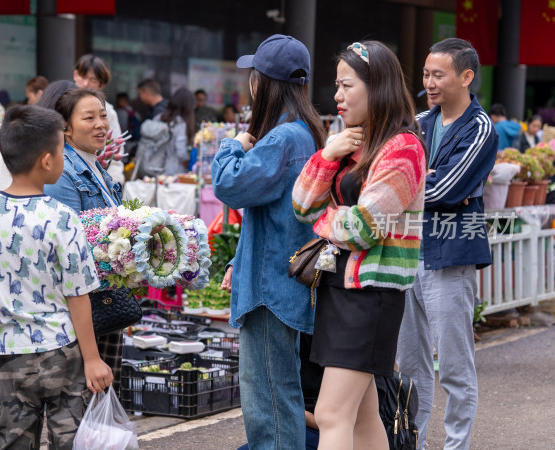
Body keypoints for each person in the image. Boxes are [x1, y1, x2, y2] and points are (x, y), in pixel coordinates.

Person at [293, 40, 426, 450]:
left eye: (346, 85)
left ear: (377, 86)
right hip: (343, 292)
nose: (336, 95)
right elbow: (300, 203)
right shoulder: (355, 142)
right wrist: (327, 156)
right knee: (365, 418)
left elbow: (364, 227)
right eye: (337, 85)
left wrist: (324, 222)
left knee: (332, 415)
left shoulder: (404, 148)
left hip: (371, 297)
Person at [0, 104, 112, 449]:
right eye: (62, 150)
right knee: (72, 441)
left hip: (7, 355)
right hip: (62, 354)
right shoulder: (61, 217)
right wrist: (92, 358)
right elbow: (78, 294)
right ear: (47, 160)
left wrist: (3, 313)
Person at [212, 34, 326, 449]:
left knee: (269, 403)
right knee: (283, 393)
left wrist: (233, 145)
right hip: (284, 281)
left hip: (270, 291)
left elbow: (229, 185)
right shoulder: (307, 131)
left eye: (252, 75)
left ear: (262, 83)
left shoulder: (280, 139)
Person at [396, 37, 497, 450]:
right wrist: (406, 180)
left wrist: (401, 184)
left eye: (438, 74)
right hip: (407, 255)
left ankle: (456, 446)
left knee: (454, 369)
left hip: (451, 257)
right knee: (410, 368)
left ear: (466, 77)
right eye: (425, 74)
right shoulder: (419, 121)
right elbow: (397, 171)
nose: (429, 83)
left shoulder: (481, 129)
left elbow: (449, 189)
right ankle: (412, 443)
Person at [44, 88, 126, 394]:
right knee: (80, 406)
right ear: (65, 127)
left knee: (101, 406)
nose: (100, 124)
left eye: (103, 116)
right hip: (83, 306)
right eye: (89, 118)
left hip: (105, 297)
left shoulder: (97, 167)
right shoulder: (64, 171)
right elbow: (71, 247)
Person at [73, 54, 125, 183]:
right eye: (82, 77)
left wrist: (112, 183)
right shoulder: (63, 106)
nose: (85, 84)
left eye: (92, 80)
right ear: (75, 75)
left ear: (101, 85)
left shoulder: (109, 112)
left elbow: (115, 153)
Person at [154, 87, 195, 175]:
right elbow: (181, 152)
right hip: (172, 170)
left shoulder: (158, 117)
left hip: (152, 166)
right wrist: (190, 165)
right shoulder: (180, 123)